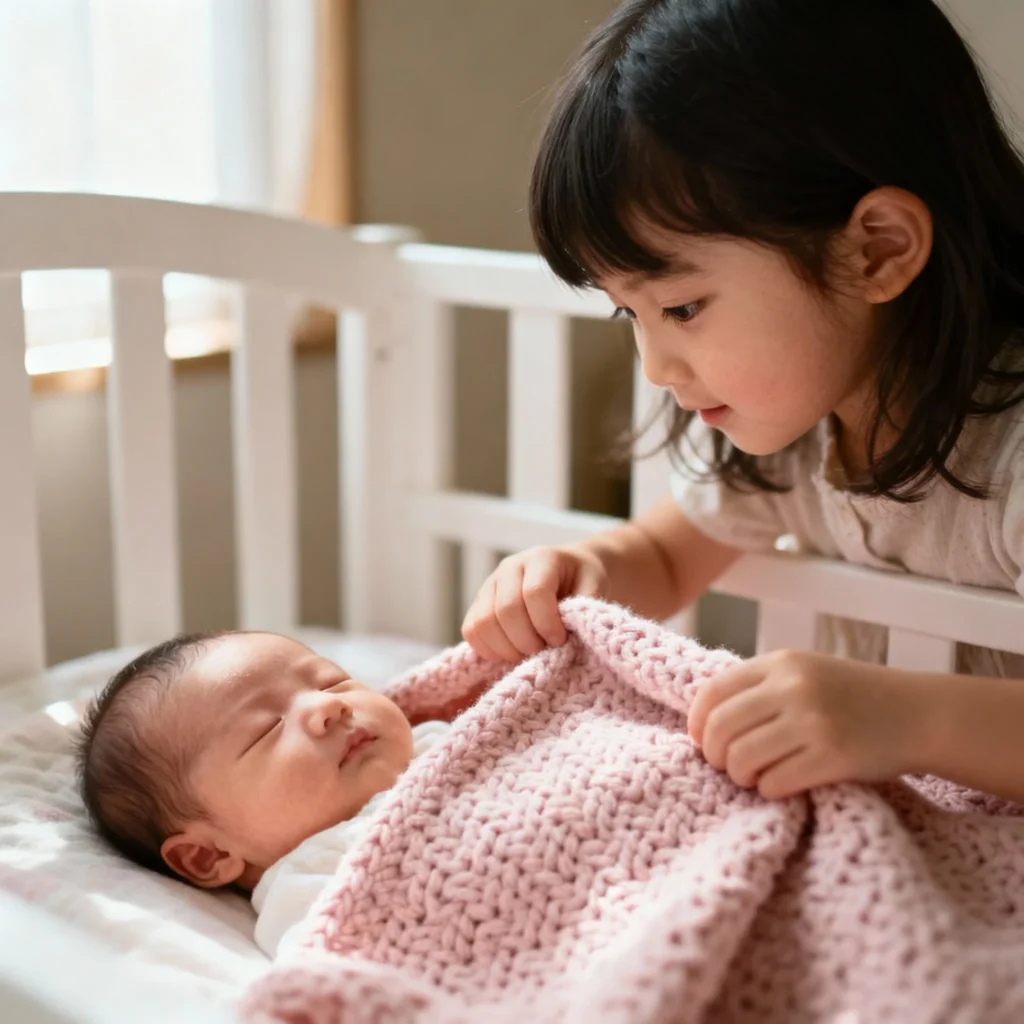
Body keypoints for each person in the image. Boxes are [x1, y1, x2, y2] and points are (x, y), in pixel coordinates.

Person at [463, 0, 1024, 804]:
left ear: (878, 250)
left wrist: (909, 720)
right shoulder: (799, 440)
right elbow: (661, 558)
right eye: (631, 313)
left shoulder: (1010, 455)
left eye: (682, 308)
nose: (653, 366)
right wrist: (580, 572)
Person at [76, 631, 450, 954]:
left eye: (331, 681)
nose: (329, 705)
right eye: (268, 730)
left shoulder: (446, 735)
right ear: (207, 855)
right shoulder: (310, 888)